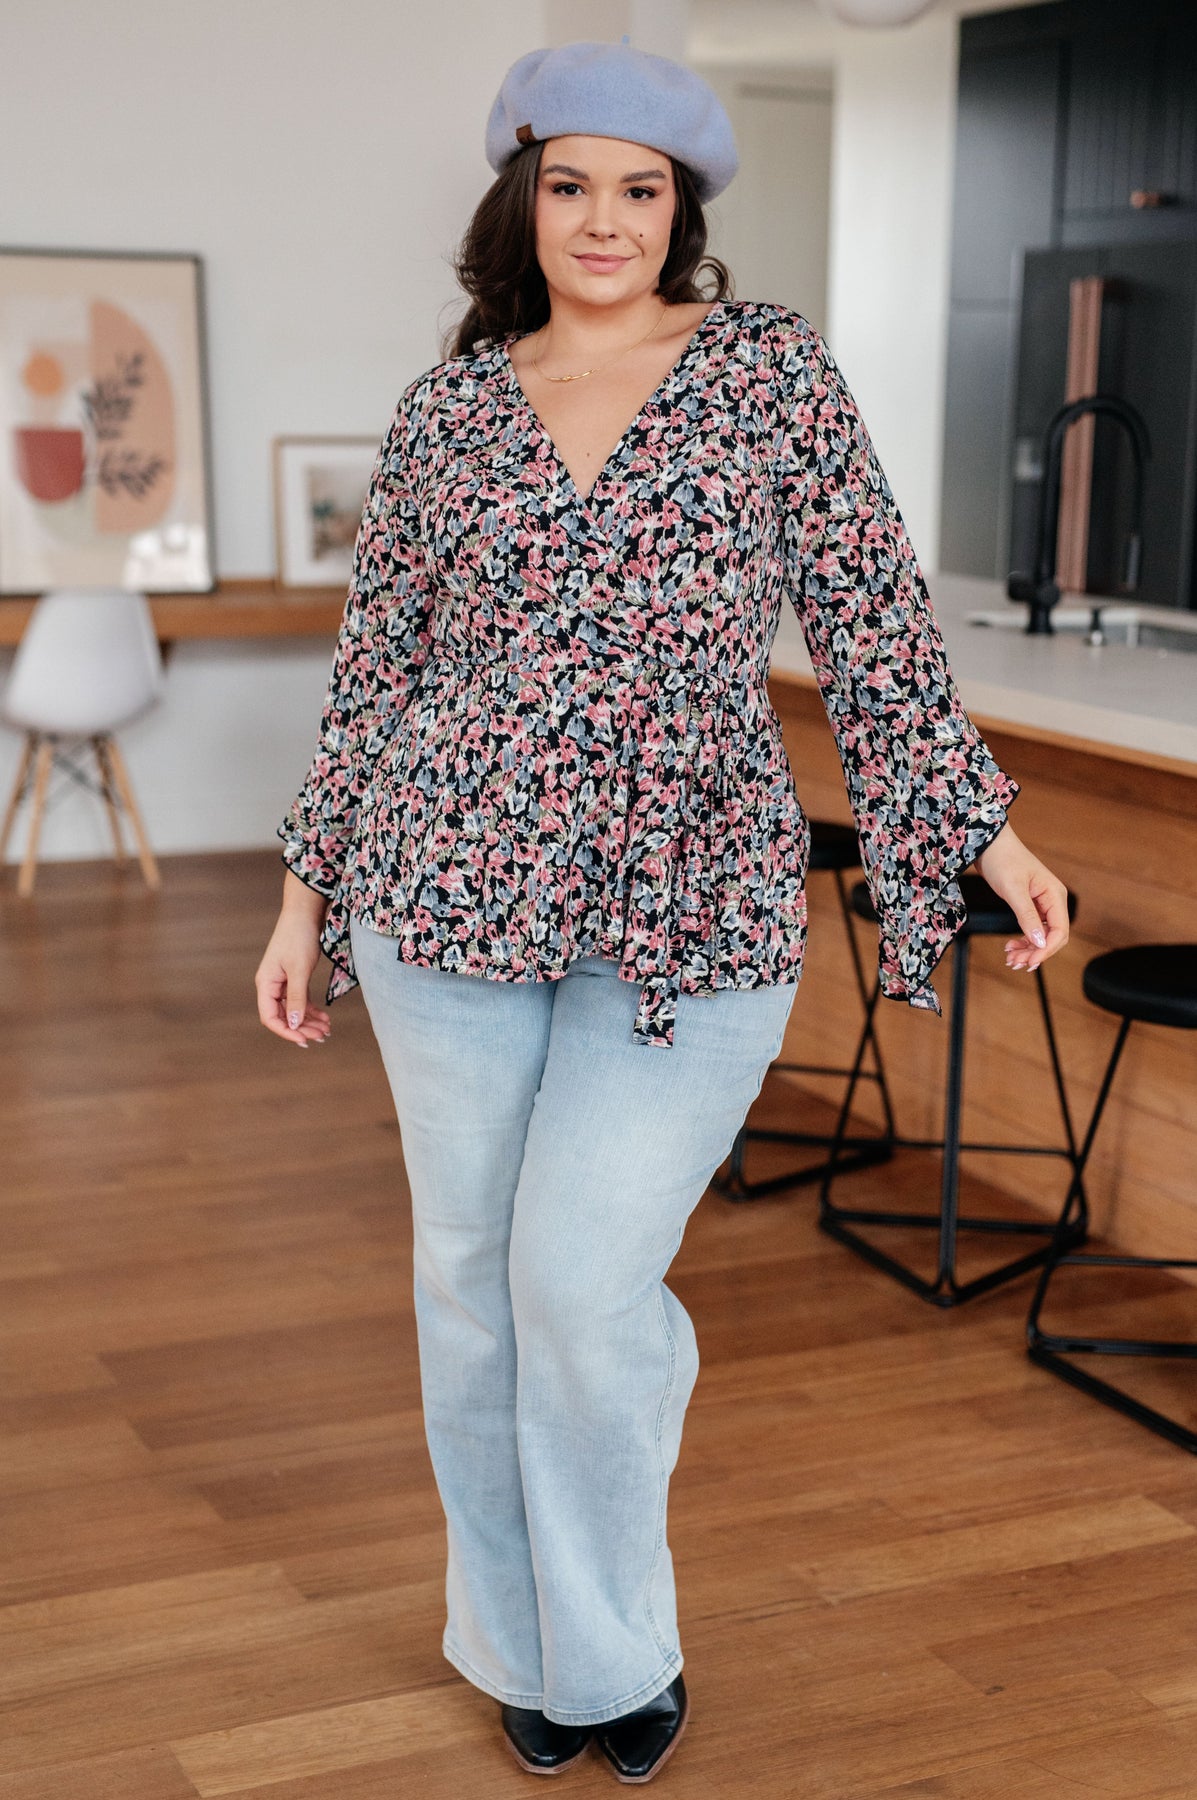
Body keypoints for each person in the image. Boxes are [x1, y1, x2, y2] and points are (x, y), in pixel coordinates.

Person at [254, 39, 1070, 1785]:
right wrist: (307, 888)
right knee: (471, 1284)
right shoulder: (447, 410)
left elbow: (871, 617)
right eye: (570, 185)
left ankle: (616, 1646)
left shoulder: (767, 369)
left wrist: (977, 829)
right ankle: (524, 1649)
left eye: (639, 190)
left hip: (690, 902)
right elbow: (377, 667)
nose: (603, 221)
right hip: (441, 887)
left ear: (680, 208)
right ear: (523, 200)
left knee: (576, 1277)